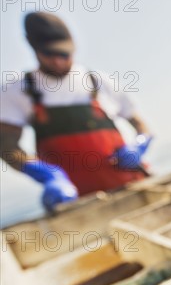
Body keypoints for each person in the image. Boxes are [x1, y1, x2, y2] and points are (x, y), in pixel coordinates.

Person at [0, 12, 153, 211]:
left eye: (64, 54)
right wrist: (46, 174)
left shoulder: (97, 81)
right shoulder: (18, 91)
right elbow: (6, 145)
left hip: (133, 186)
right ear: (32, 47)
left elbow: (140, 123)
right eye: (49, 54)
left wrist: (139, 145)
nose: (58, 62)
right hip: (76, 204)